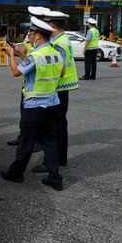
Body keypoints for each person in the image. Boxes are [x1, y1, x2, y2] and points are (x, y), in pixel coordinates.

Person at [0, 17, 64, 191]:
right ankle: (55, 177)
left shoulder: (36, 56)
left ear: (38, 36)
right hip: (52, 104)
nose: (30, 36)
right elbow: (62, 71)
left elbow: (15, 72)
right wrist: (22, 55)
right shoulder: (56, 53)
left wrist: (12, 55)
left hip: (34, 107)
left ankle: (16, 173)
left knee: (26, 143)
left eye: (32, 33)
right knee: (50, 143)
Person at [33, 14, 79, 172]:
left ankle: (52, 162)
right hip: (62, 88)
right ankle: (60, 159)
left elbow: (57, 67)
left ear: (52, 26)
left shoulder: (59, 43)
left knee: (53, 127)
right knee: (59, 125)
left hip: (58, 89)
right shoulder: (62, 40)